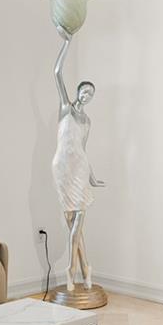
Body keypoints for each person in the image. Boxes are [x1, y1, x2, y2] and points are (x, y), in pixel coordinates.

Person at [52, 29, 104, 291]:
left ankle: (72, 270)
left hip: (80, 169)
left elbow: (83, 149)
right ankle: (86, 269)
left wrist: (93, 177)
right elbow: (57, 72)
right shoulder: (66, 108)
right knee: (72, 222)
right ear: (78, 91)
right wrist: (68, 42)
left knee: (79, 218)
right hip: (62, 168)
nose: (86, 96)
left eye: (90, 95)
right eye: (84, 92)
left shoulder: (87, 121)